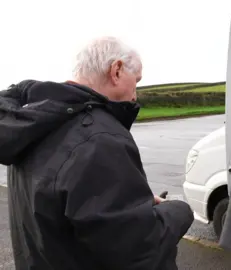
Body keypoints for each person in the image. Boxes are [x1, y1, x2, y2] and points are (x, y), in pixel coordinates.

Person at [0, 36, 194, 269]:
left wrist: (131, 202)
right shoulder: (100, 139)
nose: (135, 95)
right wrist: (179, 210)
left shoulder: (32, 126)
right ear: (117, 70)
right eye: (137, 81)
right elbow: (139, 250)